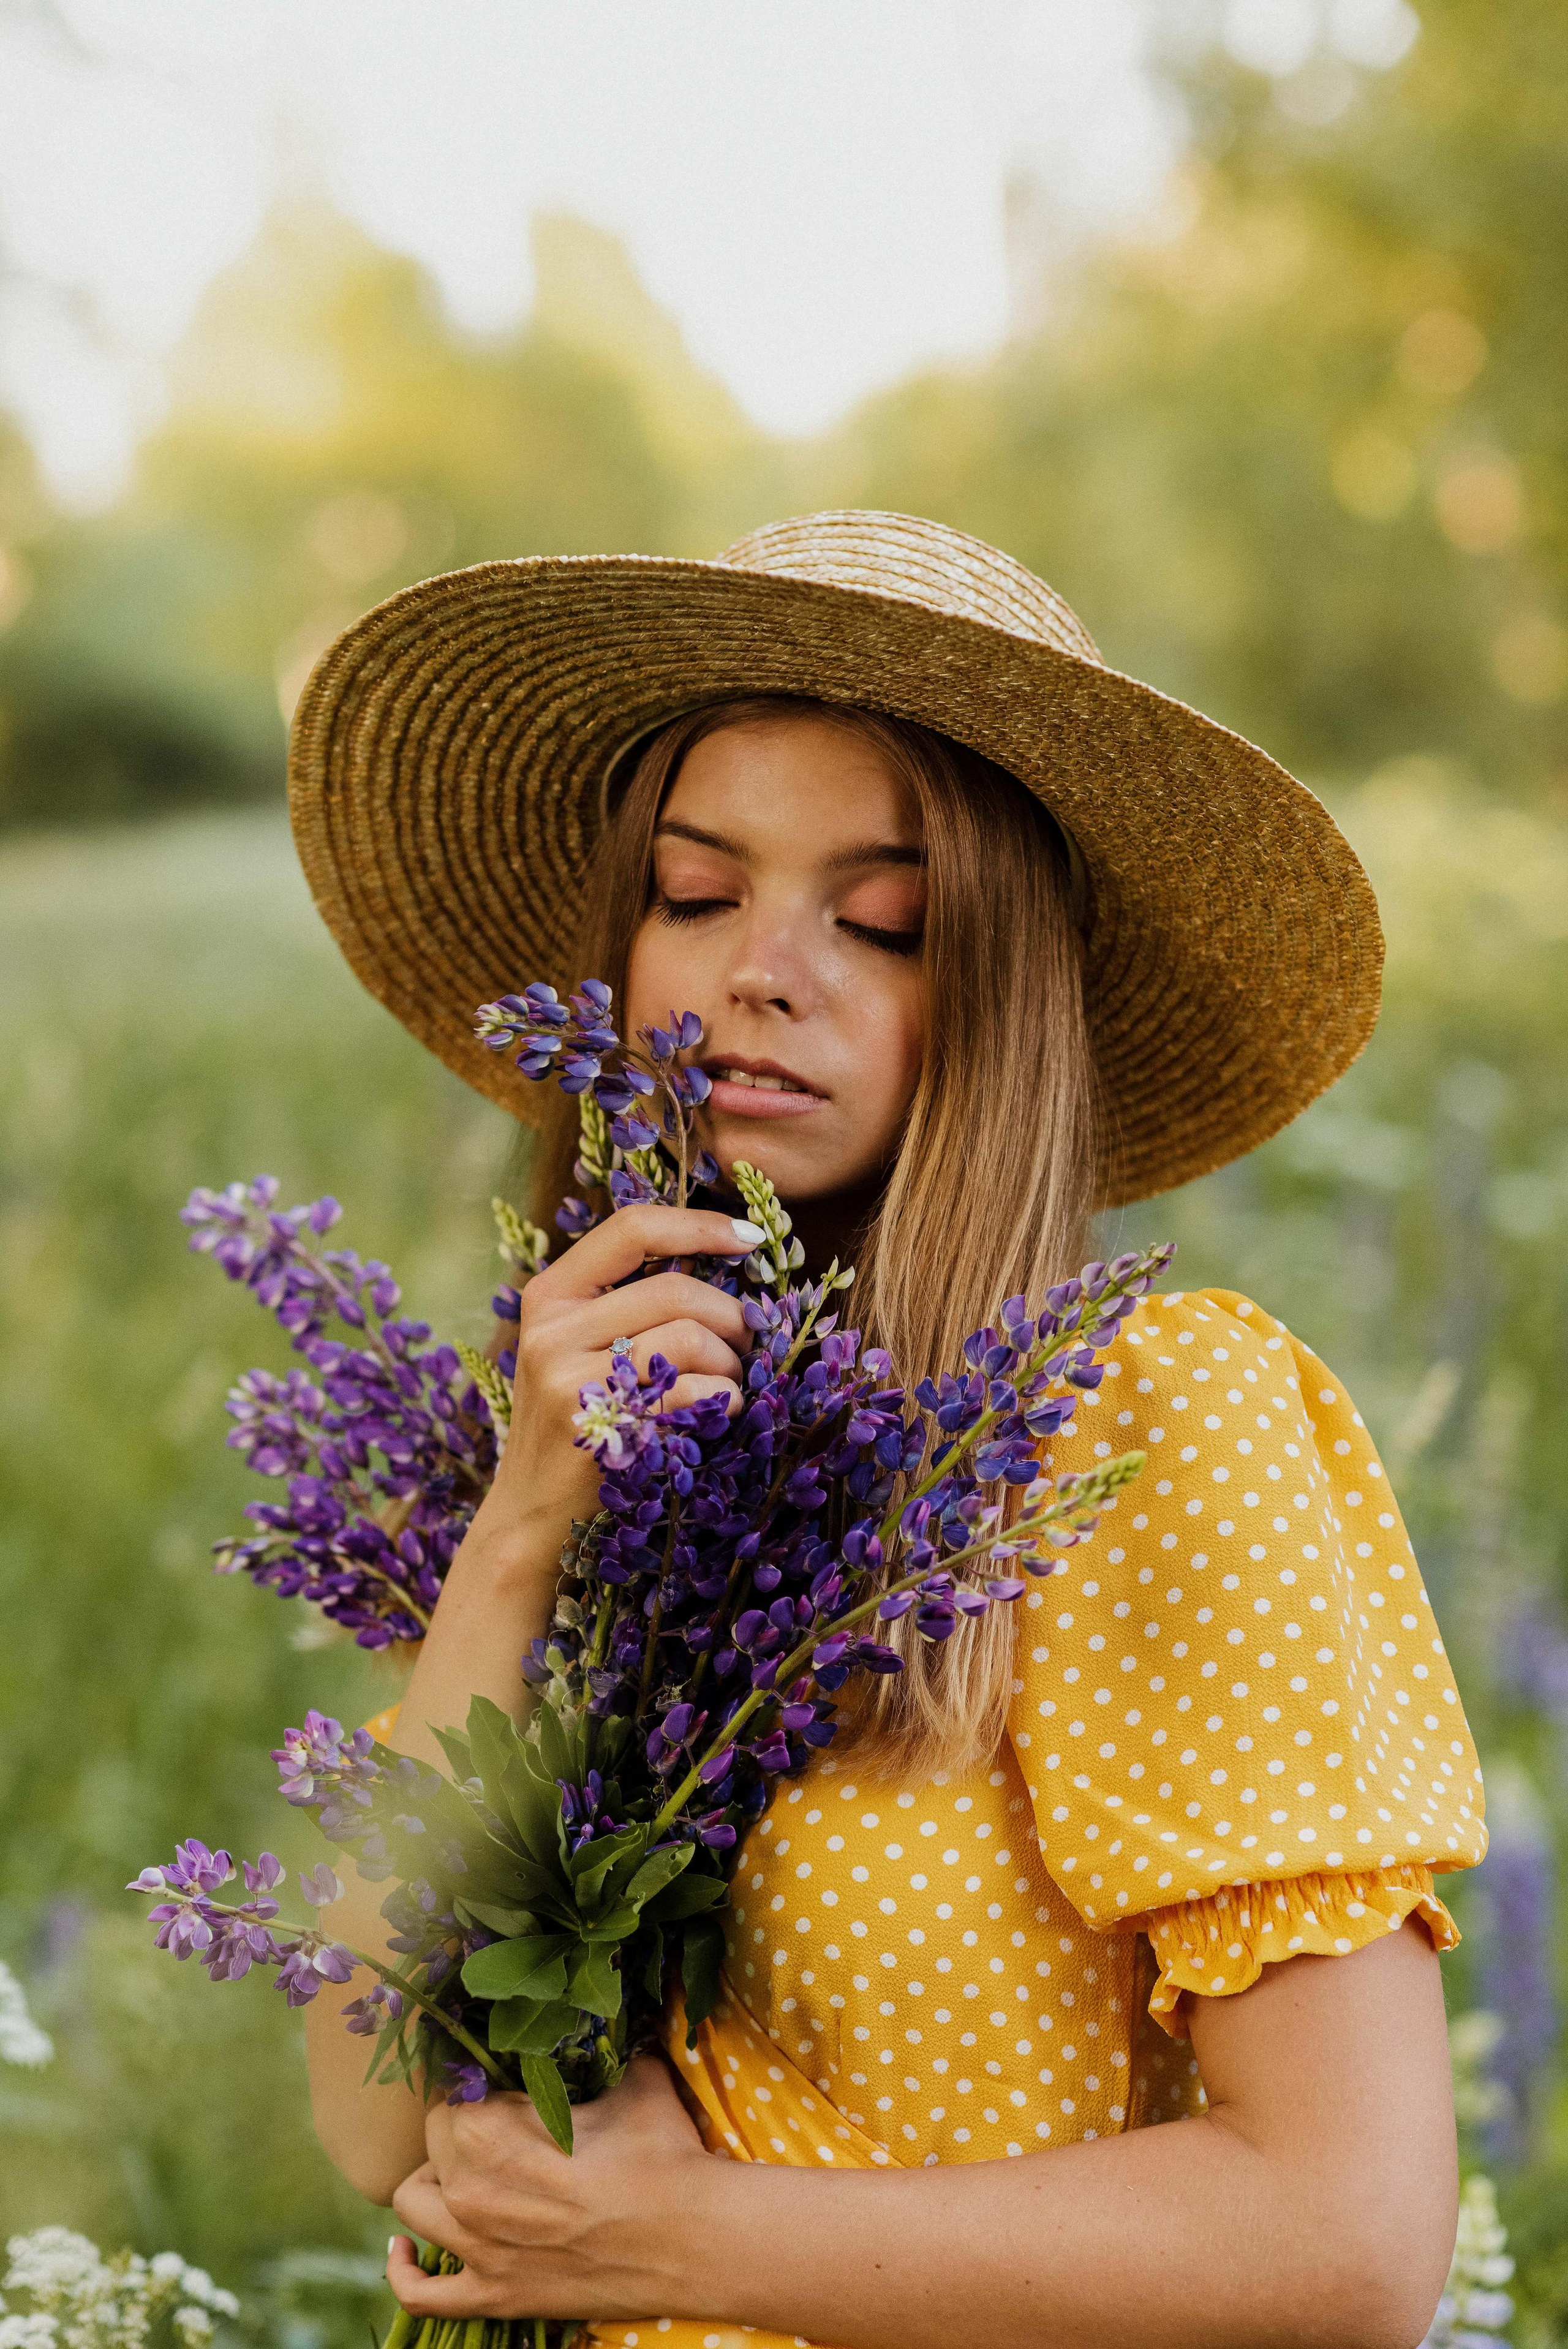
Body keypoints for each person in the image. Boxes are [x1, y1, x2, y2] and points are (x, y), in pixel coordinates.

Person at [288, 511, 1485, 2349]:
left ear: (997, 995)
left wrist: (686, 2239)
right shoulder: (608, 1448)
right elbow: (371, 2118)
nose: (765, 969)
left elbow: (1349, 2235)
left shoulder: (1140, 1423)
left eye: (882, 918)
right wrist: (523, 1529)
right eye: (697, 895)